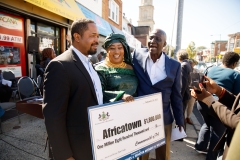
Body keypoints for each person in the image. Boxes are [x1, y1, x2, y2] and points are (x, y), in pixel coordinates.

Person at [43, 19, 103, 160]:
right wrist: (65, 156)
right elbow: (53, 117)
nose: (97, 40)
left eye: (98, 36)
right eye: (92, 35)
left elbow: (93, 95)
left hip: (92, 145)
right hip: (75, 151)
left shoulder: (90, 63)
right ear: (77, 37)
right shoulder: (59, 66)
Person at [132, 28, 184, 160]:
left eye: (158, 39)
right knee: (141, 155)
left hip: (164, 119)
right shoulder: (137, 55)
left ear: (164, 44)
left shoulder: (174, 66)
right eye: (151, 38)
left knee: (163, 156)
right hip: (141, 119)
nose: (153, 42)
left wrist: (180, 120)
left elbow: (176, 96)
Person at [195, 51, 240, 159]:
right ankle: (211, 157)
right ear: (234, 63)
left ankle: (200, 146)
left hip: (202, 102)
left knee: (206, 124)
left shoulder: (211, 68)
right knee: (217, 132)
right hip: (218, 106)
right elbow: (236, 98)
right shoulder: (235, 75)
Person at [95, 33, 137, 103]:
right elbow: (98, 93)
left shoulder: (133, 67)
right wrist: (120, 96)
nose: (116, 51)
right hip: (112, 111)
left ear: (124, 49)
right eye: (112, 48)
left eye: (120, 47)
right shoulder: (100, 69)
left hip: (135, 108)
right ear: (107, 50)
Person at [177, 49, 192, 131]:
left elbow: (182, 83)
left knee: (180, 114)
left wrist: (179, 96)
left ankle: (180, 134)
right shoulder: (188, 64)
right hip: (186, 93)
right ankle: (181, 133)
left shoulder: (183, 65)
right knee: (181, 113)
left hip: (183, 94)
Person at [185, 59, 198, 125]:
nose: (192, 64)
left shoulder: (195, 71)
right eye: (190, 63)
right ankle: (183, 118)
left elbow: (197, 80)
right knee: (184, 105)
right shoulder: (184, 68)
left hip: (192, 90)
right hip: (185, 90)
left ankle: (188, 117)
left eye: (192, 63)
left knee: (191, 105)